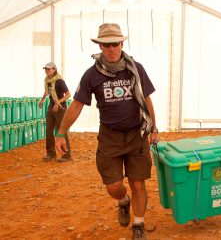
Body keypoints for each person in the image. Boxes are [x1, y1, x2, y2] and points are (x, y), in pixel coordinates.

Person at [55, 23, 158, 240]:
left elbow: (147, 99)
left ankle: (138, 224)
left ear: (122, 44)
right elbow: (77, 104)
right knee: (113, 186)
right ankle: (123, 201)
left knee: (138, 183)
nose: (111, 49)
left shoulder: (136, 69)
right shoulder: (91, 75)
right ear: (99, 46)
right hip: (109, 137)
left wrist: (153, 129)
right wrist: (61, 132)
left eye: (115, 44)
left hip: (137, 133)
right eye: (106, 45)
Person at [39, 62, 72, 162]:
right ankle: (51, 154)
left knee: (61, 131)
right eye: (45, 69)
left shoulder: (59, 81)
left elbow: (68, 94)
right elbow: (47, 91)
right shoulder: (47, 81)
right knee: (49, 130)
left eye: (49, 69)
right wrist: (42, 100)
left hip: (60, 108)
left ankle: (66, 155)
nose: (47, 71)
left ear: (54, 70)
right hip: (51, 107)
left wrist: (58, 103)